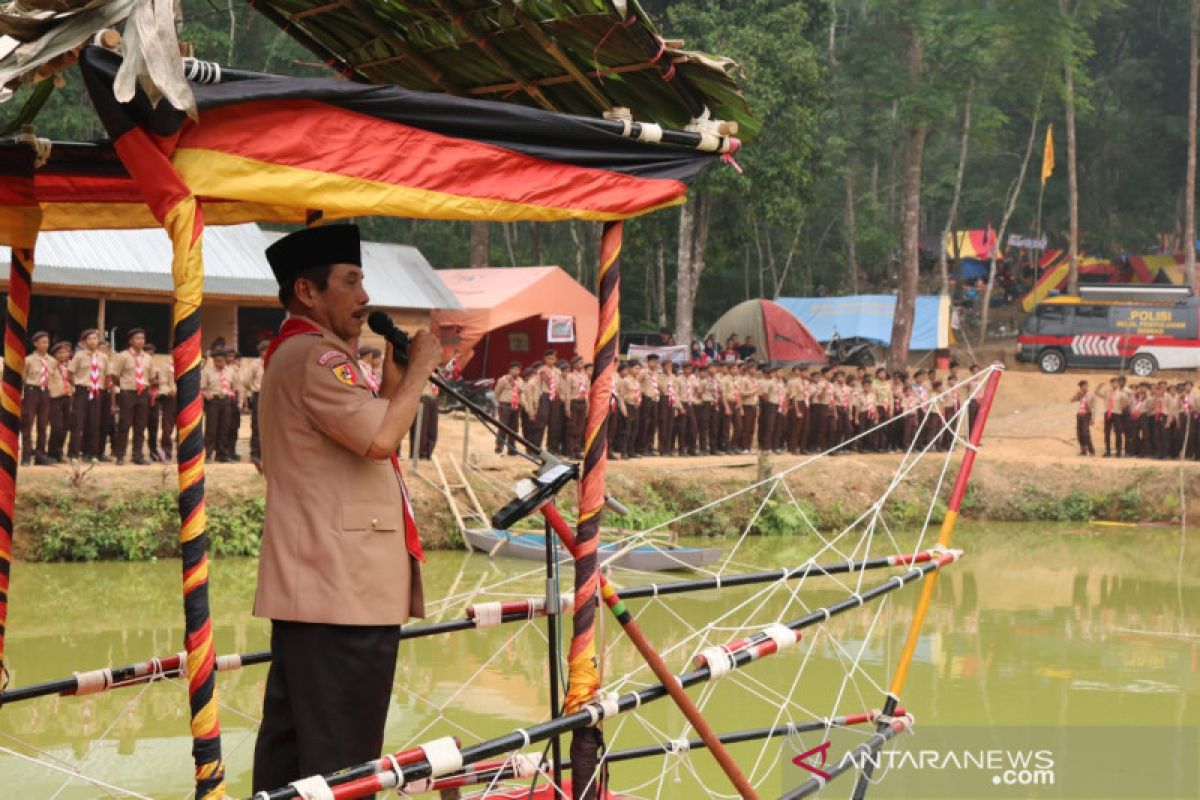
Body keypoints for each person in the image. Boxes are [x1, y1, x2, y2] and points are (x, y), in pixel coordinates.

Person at [252, 224, 440, 793]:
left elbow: (359, 443)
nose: (364, 298)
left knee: (297, 760)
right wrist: (423, 372)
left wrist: (392, 385)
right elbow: (381, 441)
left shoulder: (318, 355)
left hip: (326, 591)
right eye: (351, 281)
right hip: (340, 595)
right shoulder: (315, 358)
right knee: (342, 766)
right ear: (307, 292)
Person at [108, 328, 154, 465]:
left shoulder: (148, 358)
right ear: (131, 341)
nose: (140, 341)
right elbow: (115, 375)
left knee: (140, 425)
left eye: (142, 338)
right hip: (128, 392)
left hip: (143, 392)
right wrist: (123, 385)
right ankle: (120, 454)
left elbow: (151, 377)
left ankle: (137, 455)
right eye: (137, 338)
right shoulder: (123, 356)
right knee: (124, 424)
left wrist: (143, 386)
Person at [68, 328, 108, 461]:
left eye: (95, 338)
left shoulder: (103, 357)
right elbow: (70, 374)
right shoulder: (79, 355)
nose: (93, 341)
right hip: (82, 390)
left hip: (97, 391)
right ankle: (73, 453)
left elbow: (107, 376)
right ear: (84, 342)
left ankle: (91, 453)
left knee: (94, 423)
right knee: (78, 422)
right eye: (89, 339)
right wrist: (78, 385)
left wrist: (102, 387)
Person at [201, 348, 237, 462]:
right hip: (213, 401)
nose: (219, 363)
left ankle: (222, 454)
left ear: (225, 360)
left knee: (225, 428)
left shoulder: (230, 371)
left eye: (221, 361)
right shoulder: (207, 372)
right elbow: (201, 388)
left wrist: (232, 392)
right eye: (216, 361)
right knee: (211, 429)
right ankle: (208, 454)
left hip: (226, 401)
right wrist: (206, 394)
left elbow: (234, 386)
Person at [46, 340, 74, 463]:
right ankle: (51, 452)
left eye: (65, 352)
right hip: (55, 398)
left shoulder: (70, 366)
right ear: (55, 355)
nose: (63, 355)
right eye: (60, 353)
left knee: (65, 427)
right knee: (56, 427)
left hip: (68, 397)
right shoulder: (50, 365)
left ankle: (59, 452)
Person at [151, 346, 178, 462]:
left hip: (185, 400)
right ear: (172, 352)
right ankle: (166, 453)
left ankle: (183, 454)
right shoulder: (166, 367)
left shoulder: (187, 366)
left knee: (184, 428)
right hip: (170, 399)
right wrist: (168, 390)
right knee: (167, 428)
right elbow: (162, 383)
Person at [245, 341, 268, 463]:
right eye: (263, 351)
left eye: (267, 350)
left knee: (270, 426)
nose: (265, 353)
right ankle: (255, 454)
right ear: (260, 352)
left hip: (271, 396)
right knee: (256, 425)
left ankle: (268, 454)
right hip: (259, 395)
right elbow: (245, 380)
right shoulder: (255, 364)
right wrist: (253, 389)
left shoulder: (275, 362)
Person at [494, 361, 524, 455]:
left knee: (514, 428)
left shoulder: (520, 380)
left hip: (516, 406)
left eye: (518, 370)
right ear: (510, 370)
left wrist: (514, 383)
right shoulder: (503, 379)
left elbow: (521, 390)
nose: (516, 371)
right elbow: (497, 391)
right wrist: (500, 402)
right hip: (505, 405)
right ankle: (499, 448)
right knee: (503, 428)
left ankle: (512, 448)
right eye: (514, 369)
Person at [539, 350, 565, 455]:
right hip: (545, 396)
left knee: (555, 423)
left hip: (556, 397)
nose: (551, 361)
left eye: (553, 359)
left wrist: (561, 396)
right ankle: (536, 447)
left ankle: (552, 448)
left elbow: (561, 385)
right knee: (542, 421)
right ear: (545, 359)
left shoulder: (558, 371)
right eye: (549, 358)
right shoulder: (541, 370)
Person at [563, 356, 589, 459]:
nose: (581, 365)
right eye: (579, 363)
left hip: (582, 403)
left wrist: (587, 405)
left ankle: (578, 450)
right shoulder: (570, 376)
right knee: (572, 427)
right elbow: (567, 393)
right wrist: (567, 408)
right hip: (574, 403)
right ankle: (571, 451)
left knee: (580, 428)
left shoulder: (585, 377)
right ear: (574, 365)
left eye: (582, 363)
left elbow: (587, 391)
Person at [616, 360, 643, 458]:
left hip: (636, 407)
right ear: (630, 369)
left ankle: (631, 450)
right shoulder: (625, 381)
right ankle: (624, 452)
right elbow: (621, 396)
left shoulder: (637, 382)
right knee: (626, 430)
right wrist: (623, 409)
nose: (638, 370)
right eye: (636, 368)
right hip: (628, 406)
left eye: (639, 368)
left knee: (634, 430)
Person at [1071, 380, 1096, 456]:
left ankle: (1091, 451)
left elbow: (1093, 408)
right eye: (1081, 386)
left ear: (1087, 386)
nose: (1082, 387)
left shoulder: (1091, 395)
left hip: (1086, 415)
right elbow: (1072, 400)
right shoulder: (1080, 395)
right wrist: (1077, 395)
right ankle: (1083, 450)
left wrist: (1092, 418)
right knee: (1079, 433)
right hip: (1079, 415)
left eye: (1084, 386)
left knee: (1086, 433)